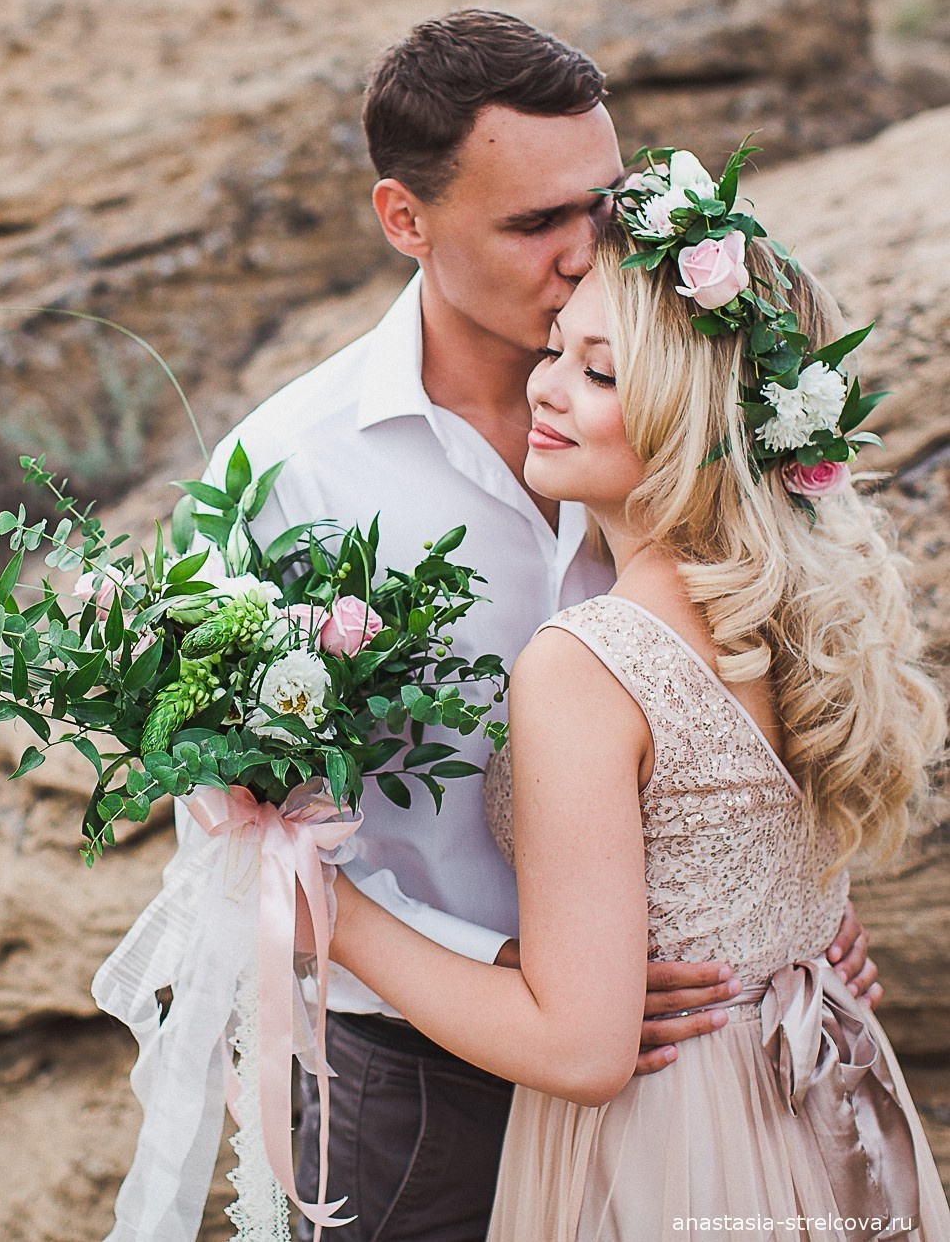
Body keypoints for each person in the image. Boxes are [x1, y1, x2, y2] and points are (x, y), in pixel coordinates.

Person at [204, 9, 877, 1241]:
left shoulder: (677, 409)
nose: (585, 254)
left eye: (602, 206)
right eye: (533, 224)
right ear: (404, 220)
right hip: (417, 1085)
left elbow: (758, 688)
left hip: (702, 1081)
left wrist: (790, 909)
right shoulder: (287, 480)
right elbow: (224, 801)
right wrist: (511, 964)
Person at [327, 234, 950, 1238]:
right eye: (557, 351)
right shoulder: (798, 621)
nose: (547, 388)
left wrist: (332, 914)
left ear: (699, 423)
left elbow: (580, 1050)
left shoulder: (588, 661)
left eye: (600, 371)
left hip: (674, 1146)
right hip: (817, 1102)